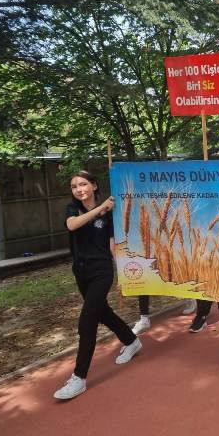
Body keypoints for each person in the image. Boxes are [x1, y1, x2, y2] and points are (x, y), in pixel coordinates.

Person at [54, 170, 141, 400]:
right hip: (81, 271)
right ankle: (132, 341)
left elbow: (112, 244)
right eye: (74, 186)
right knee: (103, 313)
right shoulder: (73, 209)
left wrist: (122, 273)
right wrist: (99, 208)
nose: (79, 189)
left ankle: (79, 378)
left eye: (83, 184)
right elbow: (72, 225)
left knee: (87, 322)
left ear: (94, 185)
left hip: (102, 271)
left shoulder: (109, 214)